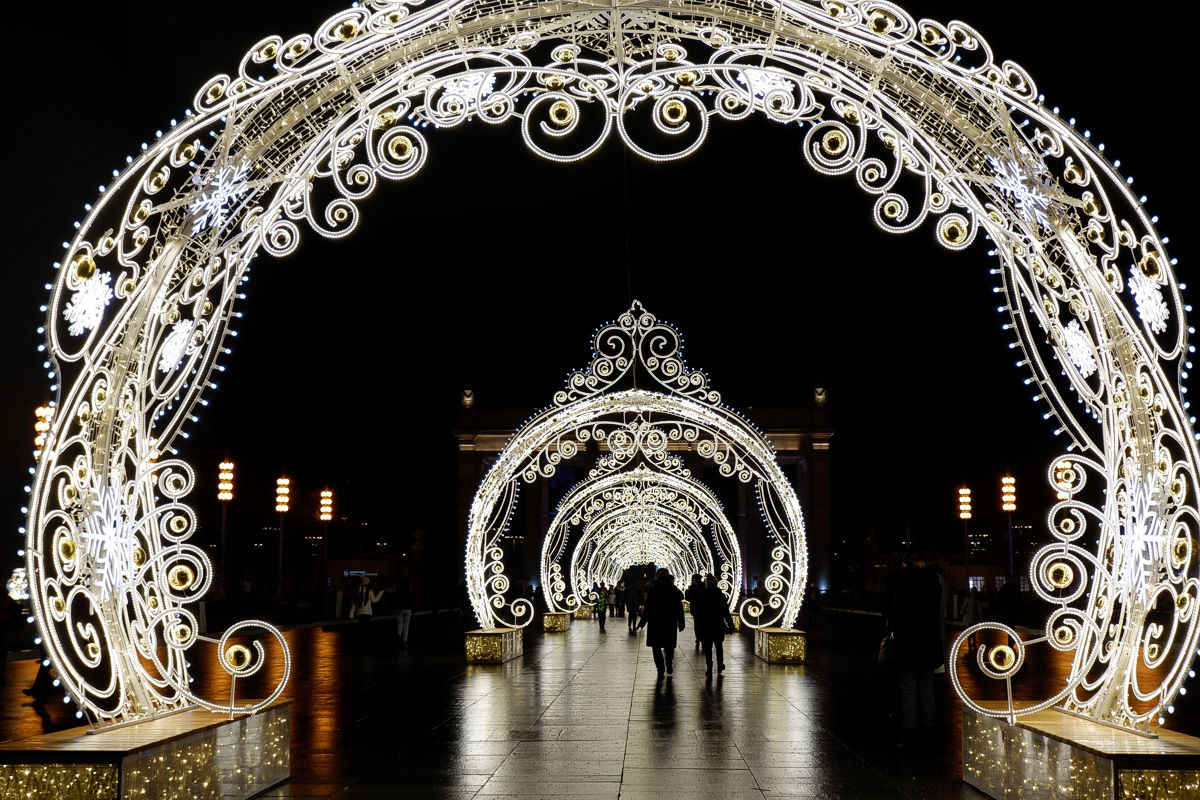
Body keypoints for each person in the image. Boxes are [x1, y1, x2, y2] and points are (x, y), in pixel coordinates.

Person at [885, 557, 944, 750]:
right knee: (927, 690)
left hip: (905, 645)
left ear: (904, 564)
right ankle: (929, 731)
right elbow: (938, 615)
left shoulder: (899, 582)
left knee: (908, 691)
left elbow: (889, 613)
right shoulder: (933, 583)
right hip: (927, 645)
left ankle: (909, 731)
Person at [638, 568, 685, 679]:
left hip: (656, 622)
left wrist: (642, 622)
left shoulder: (654, 590)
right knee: (669, 647)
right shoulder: (673, 590)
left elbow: (648, 608)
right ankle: (668, 664)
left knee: (656, 647)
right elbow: (679, 607)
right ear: (668, 576)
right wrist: (681, 622)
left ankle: (660, 669)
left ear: (657, 576)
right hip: (670, 622)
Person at [694, 575, 735, 677]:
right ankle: (720, 664)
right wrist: (731, 625)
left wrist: (698, 625)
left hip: (706, 625)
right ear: (716, 583)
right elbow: (726, 612)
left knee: (707, 647)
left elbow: (698, 612)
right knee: (719, 646)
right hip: (718, 624)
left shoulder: (701, 595)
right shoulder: (721, 596)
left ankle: (709, 667)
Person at [353, 576, 385, 647]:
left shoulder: (358, 590)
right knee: (365, 628)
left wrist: (351, 614)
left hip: (359, 612)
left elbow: (354, 602)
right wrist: (381, 592)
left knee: (360, 627)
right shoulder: (369, 591)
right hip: (367, 613)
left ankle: (360, 643)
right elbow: (374, 601)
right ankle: (364, 644)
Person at [684, 573, 704, 651]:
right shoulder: (693, 588)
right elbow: (688, 598)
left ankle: (700, 638)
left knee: (699, 624)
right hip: (696, 608)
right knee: (698, 624)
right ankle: (699, 638)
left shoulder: (701, 587)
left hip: (700, 608)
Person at [396, 577, 415, 647]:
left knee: (400, 625)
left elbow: (397, 599)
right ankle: (405, 641)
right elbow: (412, 600)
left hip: (400, 609)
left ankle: (398, 640)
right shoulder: (410, 589)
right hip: (408, 609)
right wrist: (413, 610)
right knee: (406, 626)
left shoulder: (399, 589)